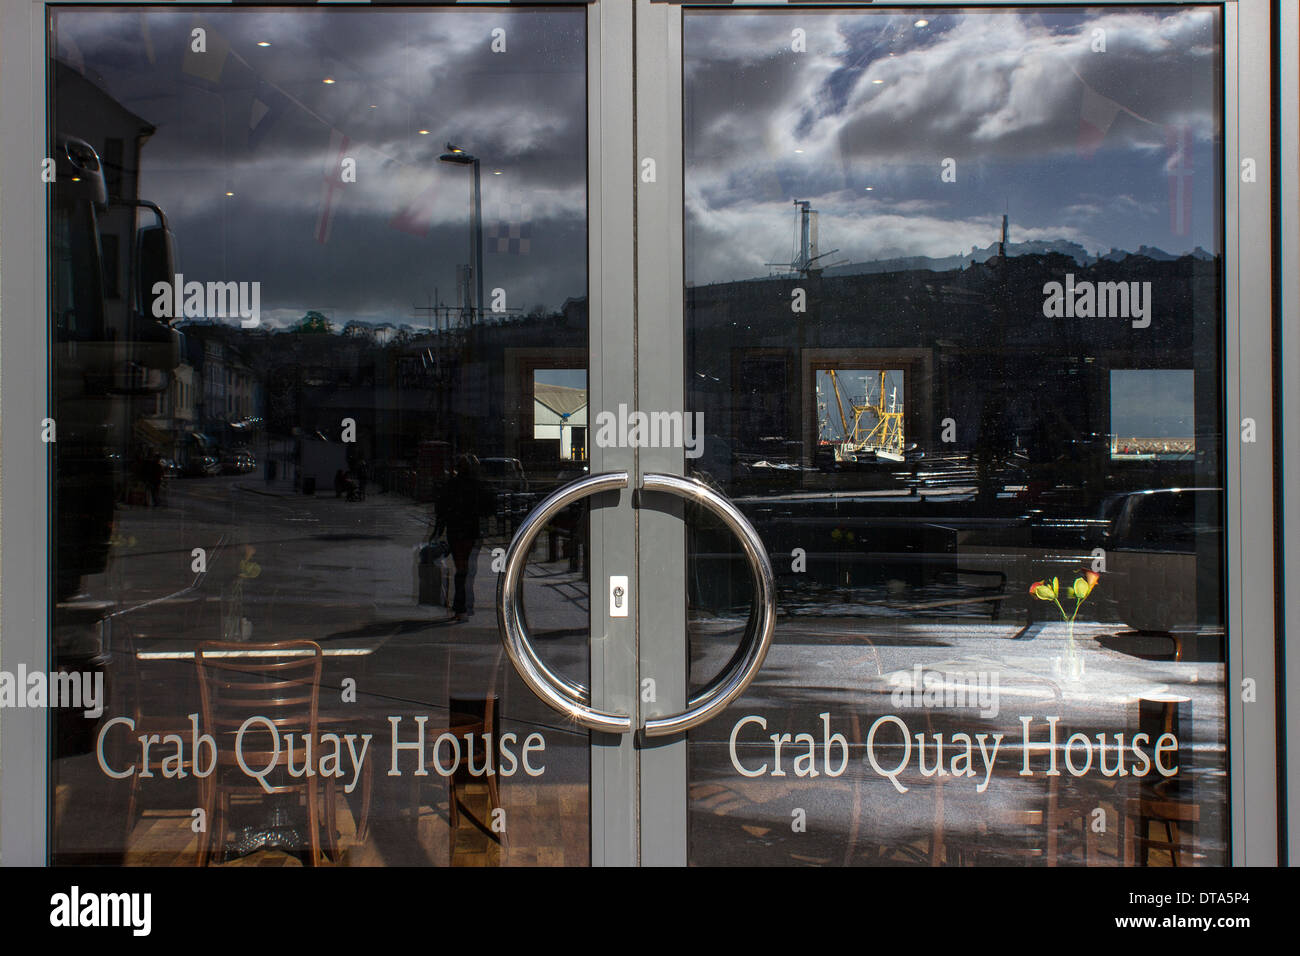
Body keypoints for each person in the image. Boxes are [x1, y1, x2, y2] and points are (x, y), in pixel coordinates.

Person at [433, 454, 496, 621]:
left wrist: (441, 528)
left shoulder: (451, 485)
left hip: (455, 531)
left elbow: (440, 508)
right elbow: (489, 508)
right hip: (471, 531)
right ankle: (464, 605)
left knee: (461, 569)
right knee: (468, 570)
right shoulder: (479, 485)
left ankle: (461, 606)